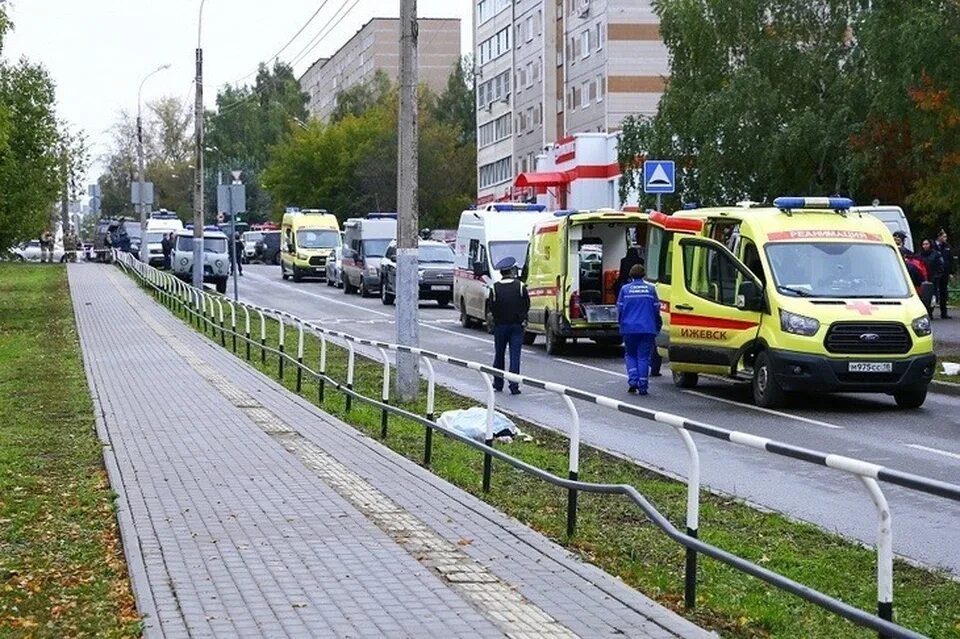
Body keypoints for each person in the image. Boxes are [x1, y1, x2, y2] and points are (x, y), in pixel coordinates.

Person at [617, 264, 662, 395]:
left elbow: (620, 309)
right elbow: (656, 309)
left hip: (629, 328)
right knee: (643, 357)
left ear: (630, 274)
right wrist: (657, 325)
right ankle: (643, 386)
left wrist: (621, 324)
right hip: (648, 328)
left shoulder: (625, 290)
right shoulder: (651, 289)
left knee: (630, 355)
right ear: (643, 274)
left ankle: (633, 382)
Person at [488, 256, 529, 395]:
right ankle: (514, 386)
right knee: (515, 355)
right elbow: (526, 304)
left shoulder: (495, 287)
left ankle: (498, 383)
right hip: (517, 326)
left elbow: (491, 307)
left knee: (499, 354)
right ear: (512, 270)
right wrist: (522, 318)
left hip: (500, 326)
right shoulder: (520, 286)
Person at [918, 238, 943, 319]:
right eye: (923, 244)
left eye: (926, 244)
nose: (925, 246)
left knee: (932, 297)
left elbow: (940, 267)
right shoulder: (919, 255)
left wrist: (936, 277)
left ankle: (930, 312)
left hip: (932, 280)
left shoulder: (936, 254)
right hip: (922, 280)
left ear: (930, 244)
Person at [935, 229, 953, 319]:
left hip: (944, 272)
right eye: (944, 236)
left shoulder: (947, 246)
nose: (945, 238)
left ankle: (944, 312)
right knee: (933, 292)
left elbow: (950, 259)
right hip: (935, 272)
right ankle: (930, 312)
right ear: (939, 237)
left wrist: (951, 272)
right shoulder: (934, 246)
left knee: (943, 292)